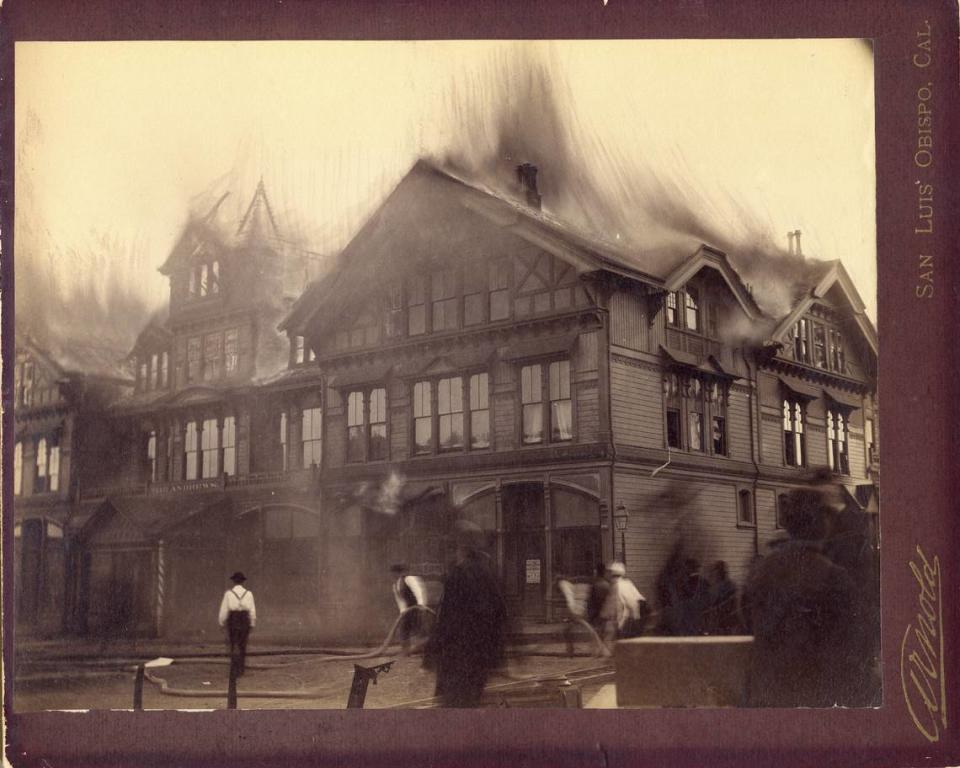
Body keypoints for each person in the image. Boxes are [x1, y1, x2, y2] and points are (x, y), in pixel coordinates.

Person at [742, 485, 874, 707]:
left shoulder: (762, 571)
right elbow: (855, 641)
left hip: (766, 695)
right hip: (814, 698)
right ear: (821, 523)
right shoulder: (834, 577)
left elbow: (747, 621)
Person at [423, 521, 507, 707]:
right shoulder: (490, 574)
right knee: (471, 703)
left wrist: (430, 654)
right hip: (480, 658)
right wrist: (497, 657)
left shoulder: (458, 575)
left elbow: (446, 620)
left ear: (461, 549)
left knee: (453, 708)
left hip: (457, 658)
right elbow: (501, 616)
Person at [218, 572, 257, 677]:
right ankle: (241, 669)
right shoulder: (249, 594)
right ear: (243, 581)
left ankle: (234, 669)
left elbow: (224, 609)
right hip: (245, 619)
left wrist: (221, 621)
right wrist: (252, 623)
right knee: (242, 644)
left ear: (234, 581)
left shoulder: (228, 593)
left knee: (233, 644)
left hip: (233, 619)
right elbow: (252, 611)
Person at [600, 562, 647, 642]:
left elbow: (613, 604)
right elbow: (639, 600)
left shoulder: (616, 586)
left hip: (622, 619)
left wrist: (603, 615)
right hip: (633, 618)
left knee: (614, 640)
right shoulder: (628, 583)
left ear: (611, 574)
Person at [391, 564, 427, 653]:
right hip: (407, 610)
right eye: (393, 574)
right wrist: (402, 611)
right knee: (404, 628)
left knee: (418, 628)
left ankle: (421, 649)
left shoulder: (408, 579)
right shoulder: (395, 585)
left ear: (399, 572)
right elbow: (400, 600)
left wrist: (421, 604)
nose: (394, 575)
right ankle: (406, 651)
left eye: (395, 573)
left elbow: (418, 591)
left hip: (416, 608)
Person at [705, 560, 741, 635]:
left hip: (725, 621)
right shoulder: (719, 586)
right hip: (722, 622)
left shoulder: (726, 586)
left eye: (715, 570)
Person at [585, 563, 611, 633]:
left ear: (596, 572)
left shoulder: (595, 585)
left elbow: (591, 602)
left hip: (597, 614)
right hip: (605, 613)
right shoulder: (607, 585)